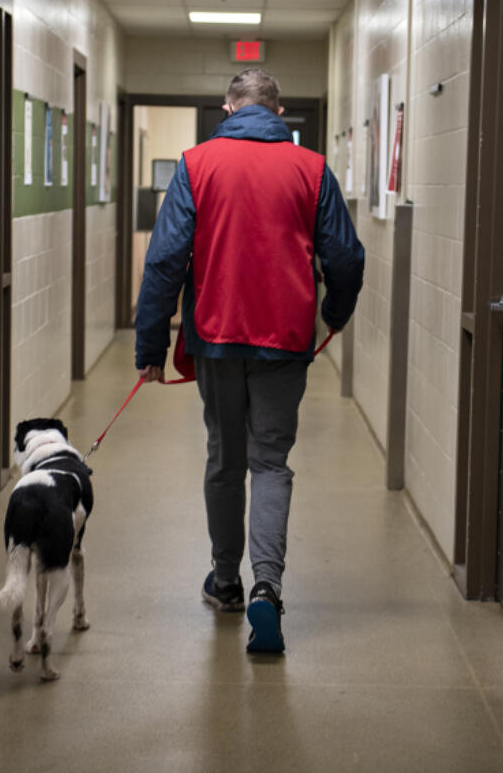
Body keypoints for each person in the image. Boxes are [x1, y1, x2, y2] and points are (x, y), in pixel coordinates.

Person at [134, 68, 365, 654]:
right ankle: (268, 586)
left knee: (224, 457)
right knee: (270, 462)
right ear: (278, 111)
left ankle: (226, 580)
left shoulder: (196, 164)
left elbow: (164, 261)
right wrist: (335, 313)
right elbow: (345, 256)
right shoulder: (311, 169)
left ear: (229, 107)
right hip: (284, 341)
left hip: (216, 335)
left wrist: (150, 347)